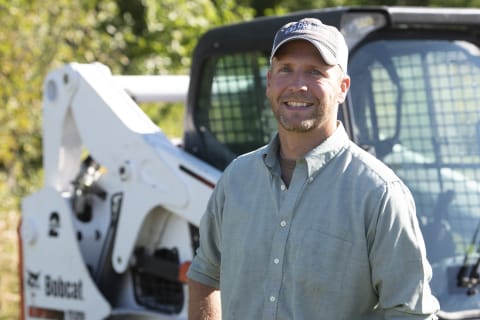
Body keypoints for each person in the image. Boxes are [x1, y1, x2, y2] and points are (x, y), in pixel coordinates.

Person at [187, 17, 440, 319]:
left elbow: (410, 313)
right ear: (269, 83)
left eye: (315, 72)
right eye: (286, 70)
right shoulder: (236, 179)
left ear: (343, 88)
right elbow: (204, 274)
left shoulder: (379, 193)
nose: (297, 85)